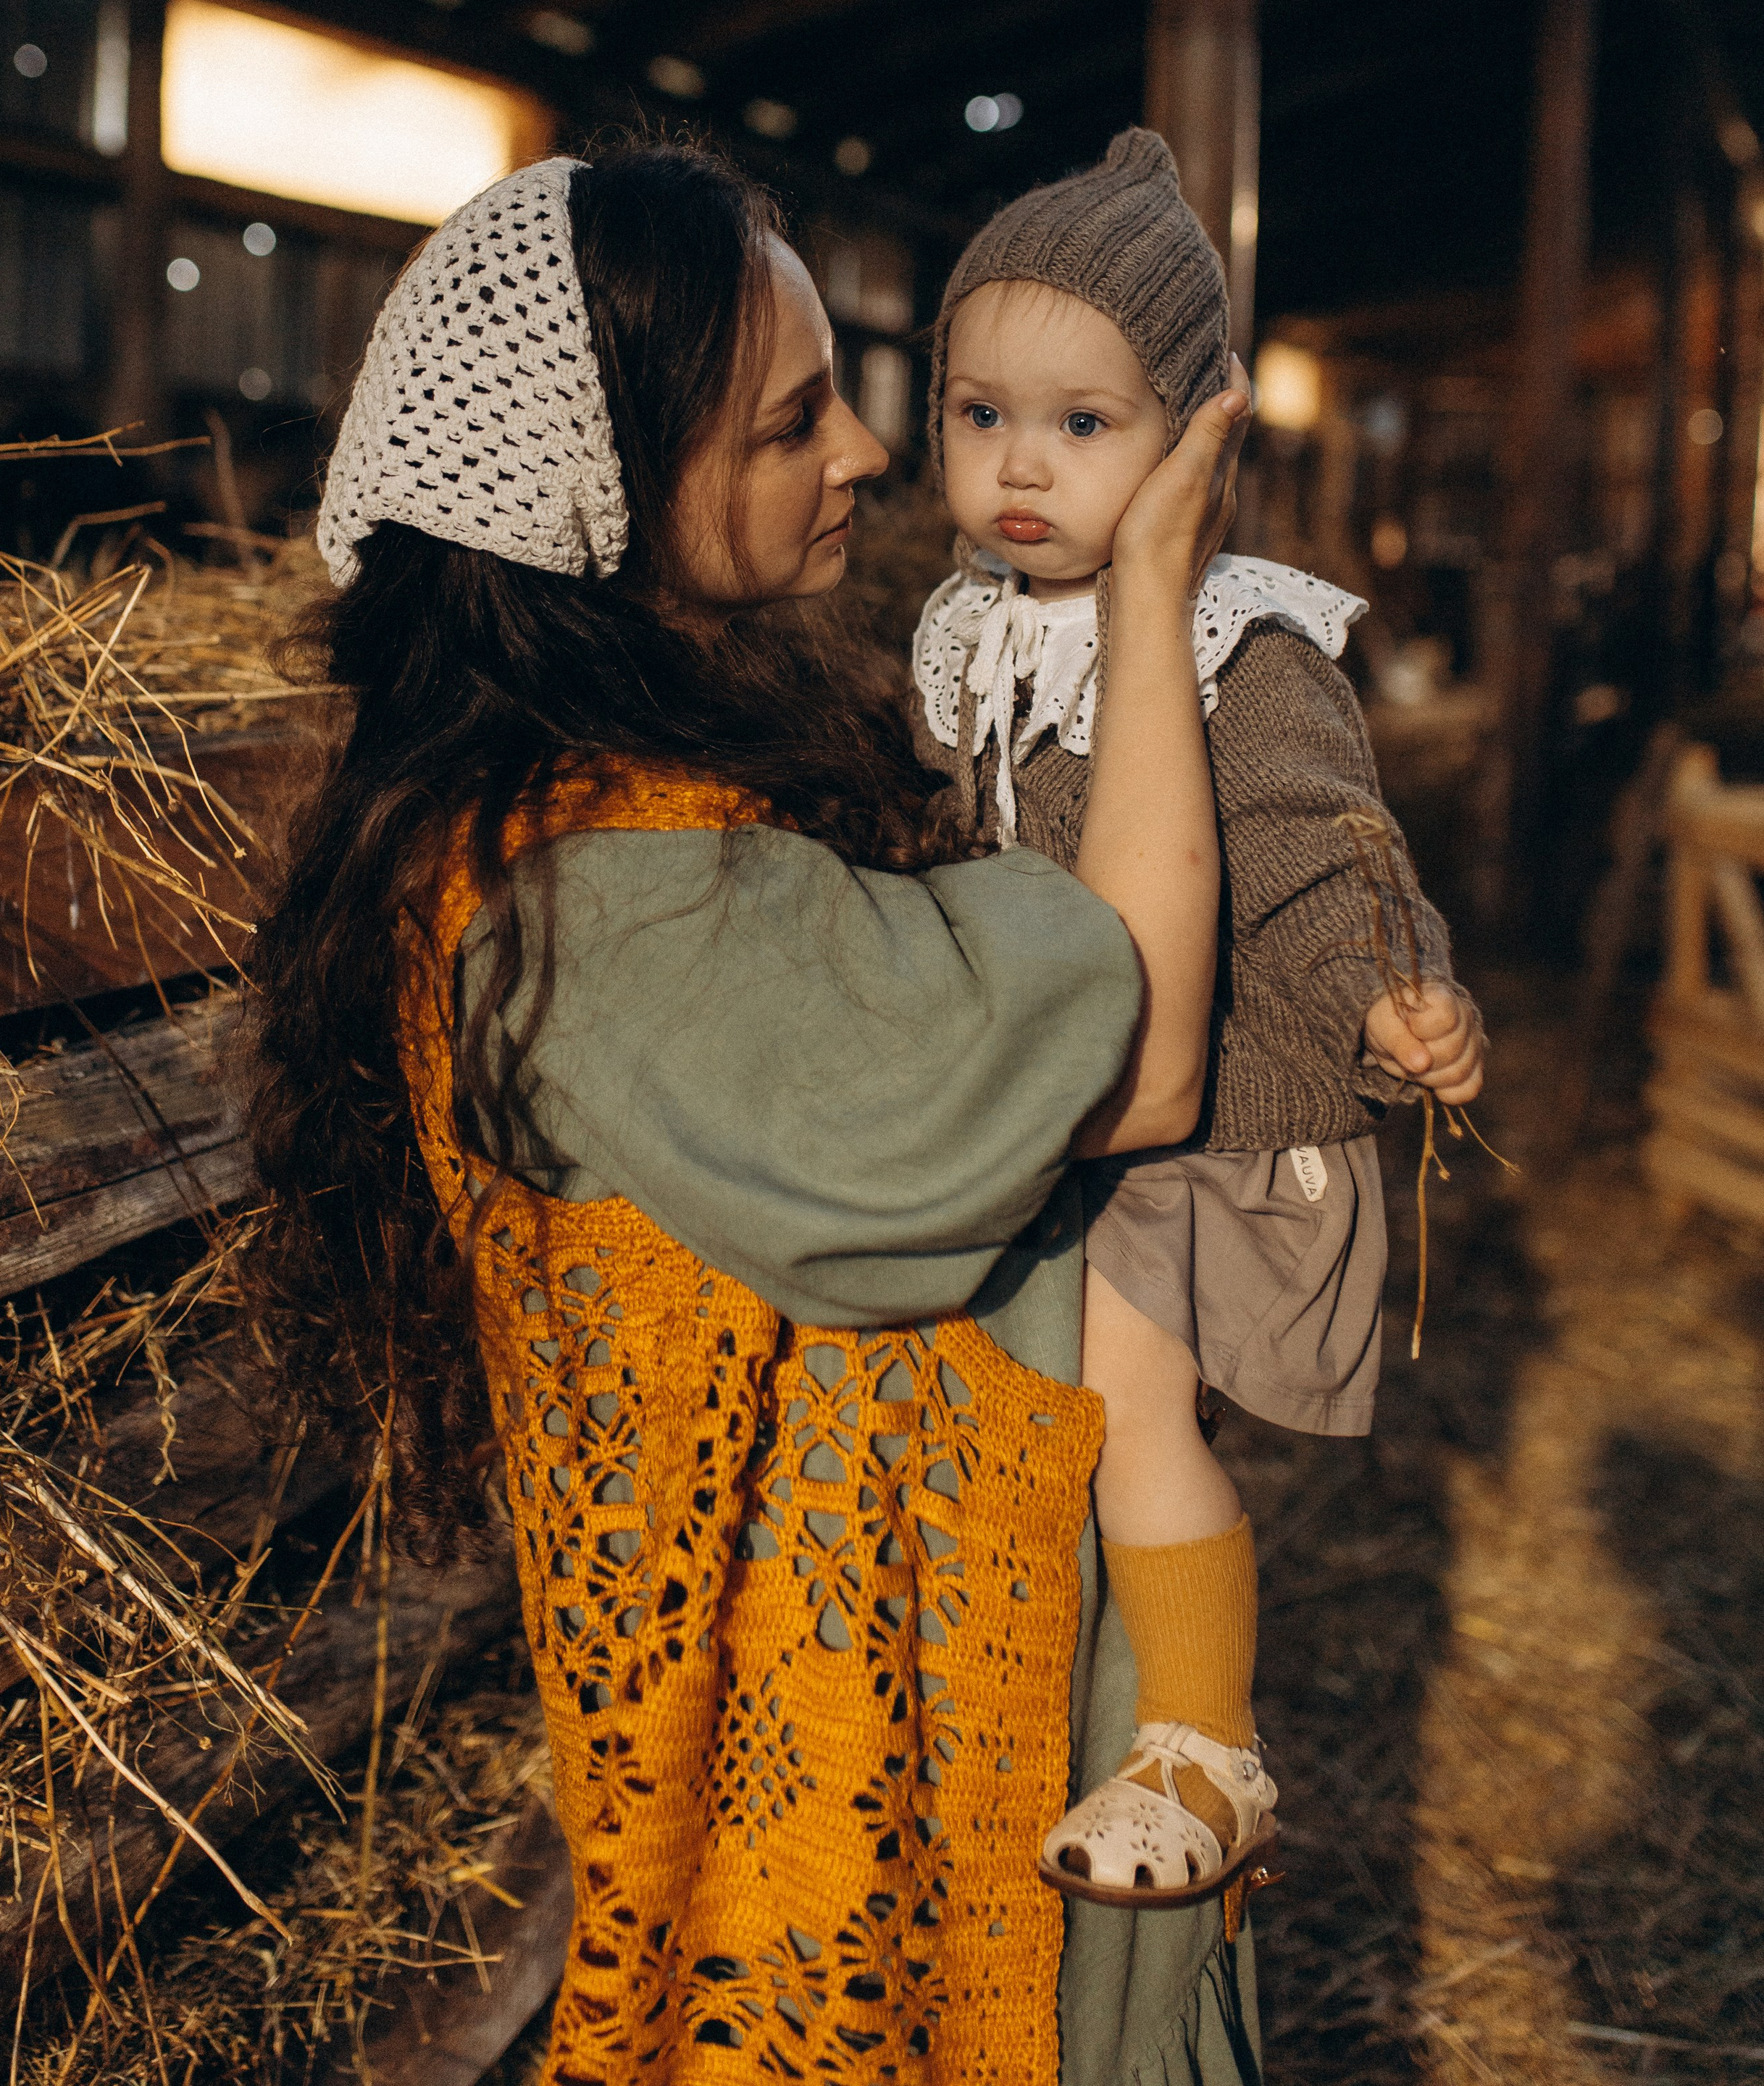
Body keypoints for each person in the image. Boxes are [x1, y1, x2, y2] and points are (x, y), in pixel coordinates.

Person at [246, 140, 1263, 2085]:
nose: (869, 449)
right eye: (791, 422)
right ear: (607, 499)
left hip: (953, 1662)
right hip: (896, 1741)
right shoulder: (607, 900)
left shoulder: (646, 786)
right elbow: (1137, 1050)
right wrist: (1151, 587)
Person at [912, 126, 1485, 1909]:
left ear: (1188, 440)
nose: (1020, 464)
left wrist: (1389, 988)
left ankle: (1200, 1743)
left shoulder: (1242, 641)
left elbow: (1316, 847)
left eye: (1082, 423)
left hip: (1200, 1116)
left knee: (1131, 1397)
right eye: (979, 413)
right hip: (1041, 1106)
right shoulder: (959, 633)